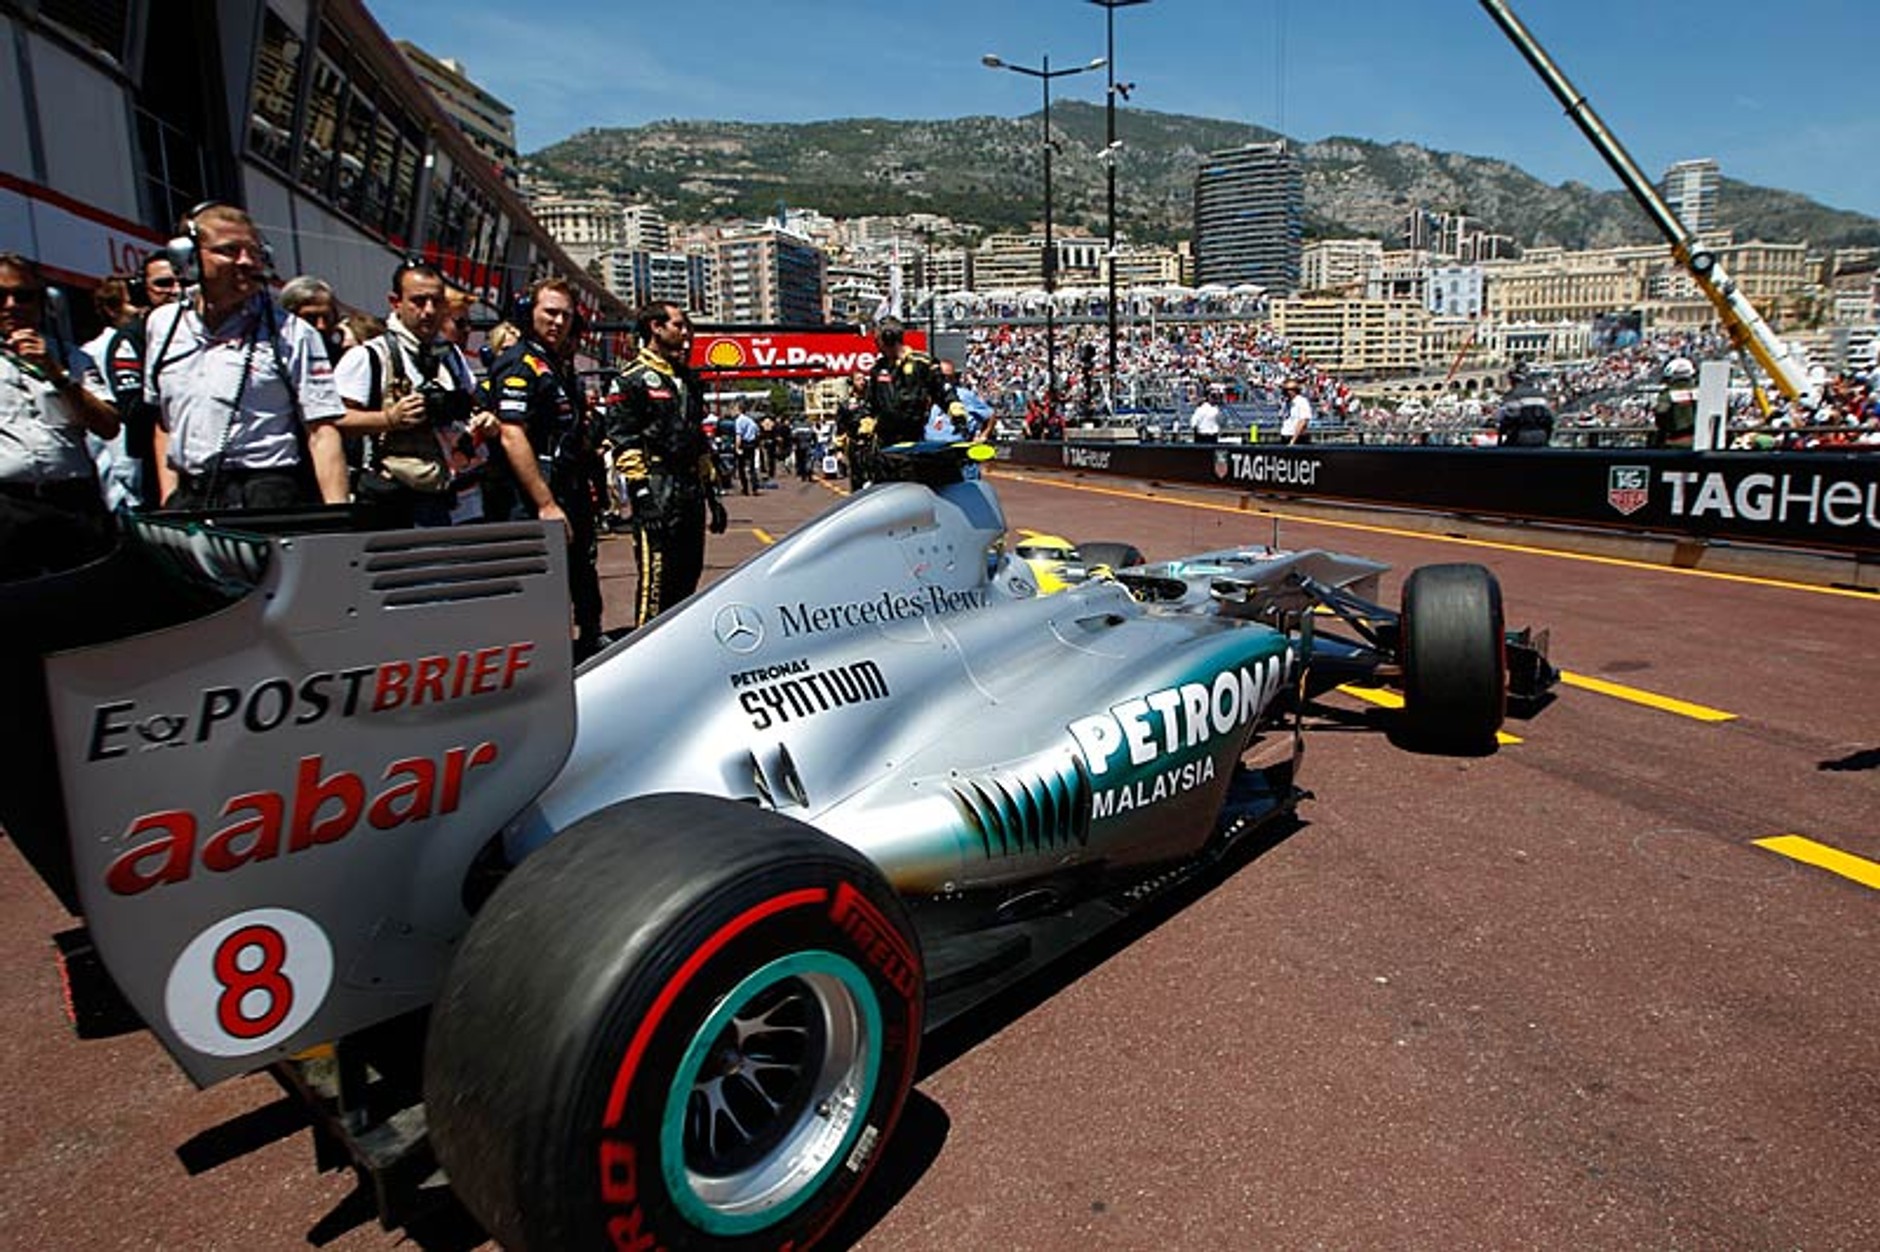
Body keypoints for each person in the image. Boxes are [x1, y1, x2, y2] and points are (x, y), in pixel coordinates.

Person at [143, 204, 348, 511]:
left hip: (265, 496)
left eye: (253, 251)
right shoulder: (162, 325)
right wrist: (168, 496)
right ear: (189, 258)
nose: (247, 262)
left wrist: (337, 514)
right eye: (230, 250)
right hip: (189, 499)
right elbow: (164, 421)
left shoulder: (293, 333)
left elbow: (322, 431)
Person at [477, 276, 602, 659]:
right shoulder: (519, 362)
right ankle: (544, 659)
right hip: (533, 498)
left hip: (570, 488)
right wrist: (546, 503)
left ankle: (588, 639)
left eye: (565, 315)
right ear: (529, 313)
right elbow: (512, 434)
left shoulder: (557, 364)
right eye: (550, 312)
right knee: (539, 587)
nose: (558, 321)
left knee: (581, 571)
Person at [604, 300, 728, 627]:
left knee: (688, 574)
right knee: (655, 582)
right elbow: (624, 439)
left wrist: (712, 496)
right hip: (657, 486)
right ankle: (643, 655)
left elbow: (697, 439)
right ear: (656, 328)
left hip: (689, 489)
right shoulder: (631, 379)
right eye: (678, 325)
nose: (685, 331)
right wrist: (642, 495)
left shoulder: (687, 378)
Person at [1, 252, 121, 579]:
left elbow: (109, 425)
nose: (12, 304)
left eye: (24, 296)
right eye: (1, 296)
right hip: (9, 505)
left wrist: (57, 374)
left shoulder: (73, 356)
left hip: (73, 502)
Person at [333, 259, 478, 527]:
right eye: (418, 301)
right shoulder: (369, 356)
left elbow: (471, 404)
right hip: (390, 498)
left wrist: (481, 421)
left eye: (436, 301)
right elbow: (335, 421)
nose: (429, 311)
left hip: (445, 494)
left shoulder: (451, 357)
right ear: (395, 302)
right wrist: (389, 419)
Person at [80, 276, 148, 511]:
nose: (141, 310)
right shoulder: (91, 353)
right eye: (133, 303)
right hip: (123, 472)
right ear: (111, 309)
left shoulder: (151, 340)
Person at [861, 316, 964, 448]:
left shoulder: (921, 363)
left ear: (889, 338)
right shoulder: (878, 368)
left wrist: (955, 410)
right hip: (885, 441)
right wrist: (866, 422)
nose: (875, 344)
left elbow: (943, 391)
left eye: (877, 339)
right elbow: (871, 402)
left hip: (913, 437)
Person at [1652, 357, 1698, 448]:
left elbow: (1661, 413)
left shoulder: (1667, 394)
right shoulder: (1700, 391)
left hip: (1674, 442)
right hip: (1699, 440)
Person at [1280, 378, 1314, 445]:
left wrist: (1293, 440)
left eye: (1291, 389)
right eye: (1286, 390)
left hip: (1297, 438)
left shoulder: (1302, 401)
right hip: (1285, 436)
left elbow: (1303, 421)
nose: (1288, 392)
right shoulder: (1286, 403)